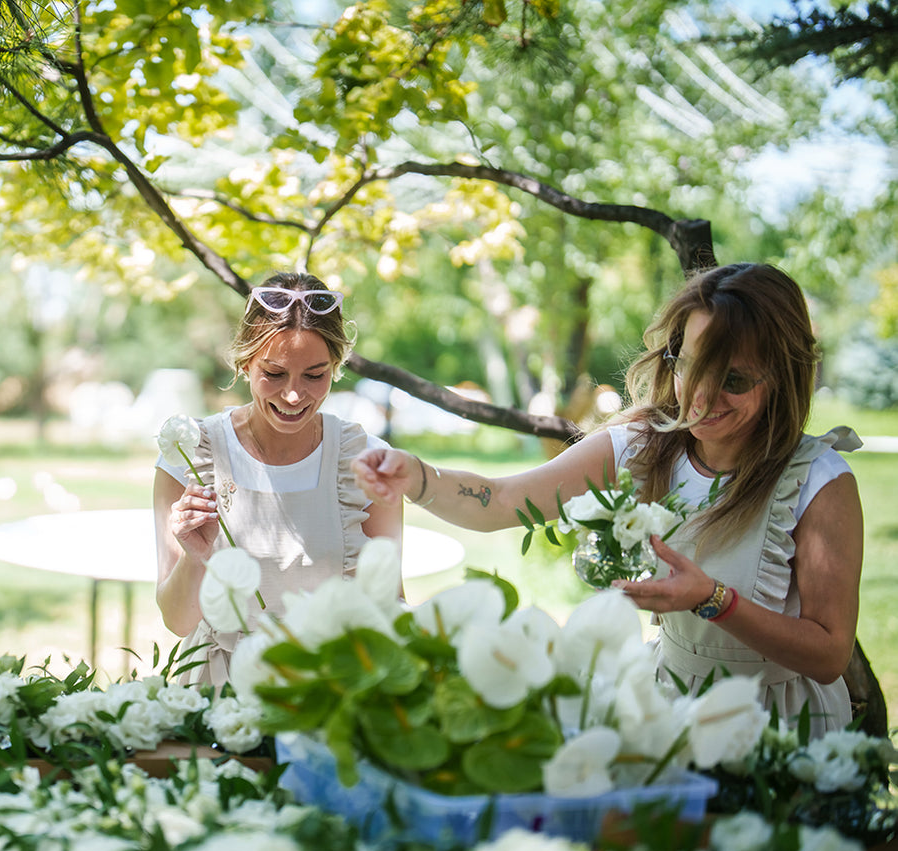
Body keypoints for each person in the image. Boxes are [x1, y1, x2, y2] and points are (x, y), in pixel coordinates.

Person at [355, 262, 862, 736]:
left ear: (785, 377)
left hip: (781, 726)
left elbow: (829, 653)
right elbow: (503, 500)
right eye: (689, 367)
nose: (701, 399)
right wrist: (419, 478)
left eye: (733, 380)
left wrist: (711, 599)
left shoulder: (818, 482)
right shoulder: (646, 445)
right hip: (669, 709)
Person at [155, 272, 405, 685]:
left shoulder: (367, 462)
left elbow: (389, 605)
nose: (293, 395)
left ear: (336, 367)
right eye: (273, 373)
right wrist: (196, 557)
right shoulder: (189, 456)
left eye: (314, 375)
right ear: (245, 362)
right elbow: (178, 622)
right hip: (219, 698)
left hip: (329, 691)